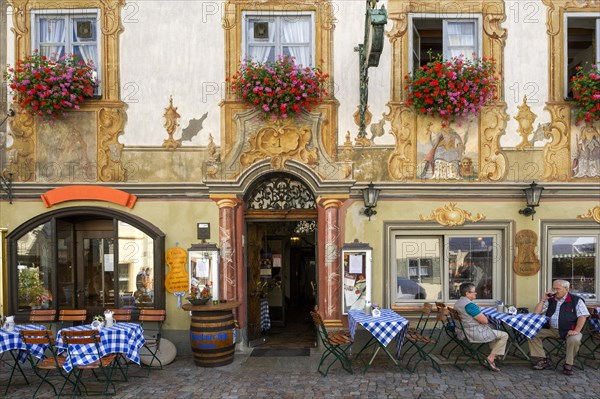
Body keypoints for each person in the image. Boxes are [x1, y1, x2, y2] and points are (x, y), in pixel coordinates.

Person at [529, 279, 590, 376]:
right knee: (531, 333)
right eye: (554, 288)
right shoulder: (551, 300)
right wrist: (543, 299)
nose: (555, 291)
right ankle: (542, 360)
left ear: (566, 289)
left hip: (569, 331)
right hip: (552, 330)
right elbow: (537, 312)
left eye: (558, 289)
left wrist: (576, 330)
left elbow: (583, 316)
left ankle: (568, 364)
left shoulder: (576, 300)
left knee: (574, 339)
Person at [453, 282, 508, 372]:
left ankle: (495, 355)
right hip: (473, 333)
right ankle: (491, 358)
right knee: (504, 335)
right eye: (474, 292)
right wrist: (480, 313)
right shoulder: (469, 305)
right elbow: (484, 321)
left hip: (462, 331)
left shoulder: (459, 302)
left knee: (493, 329)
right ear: (467, 293)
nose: (476, 293)